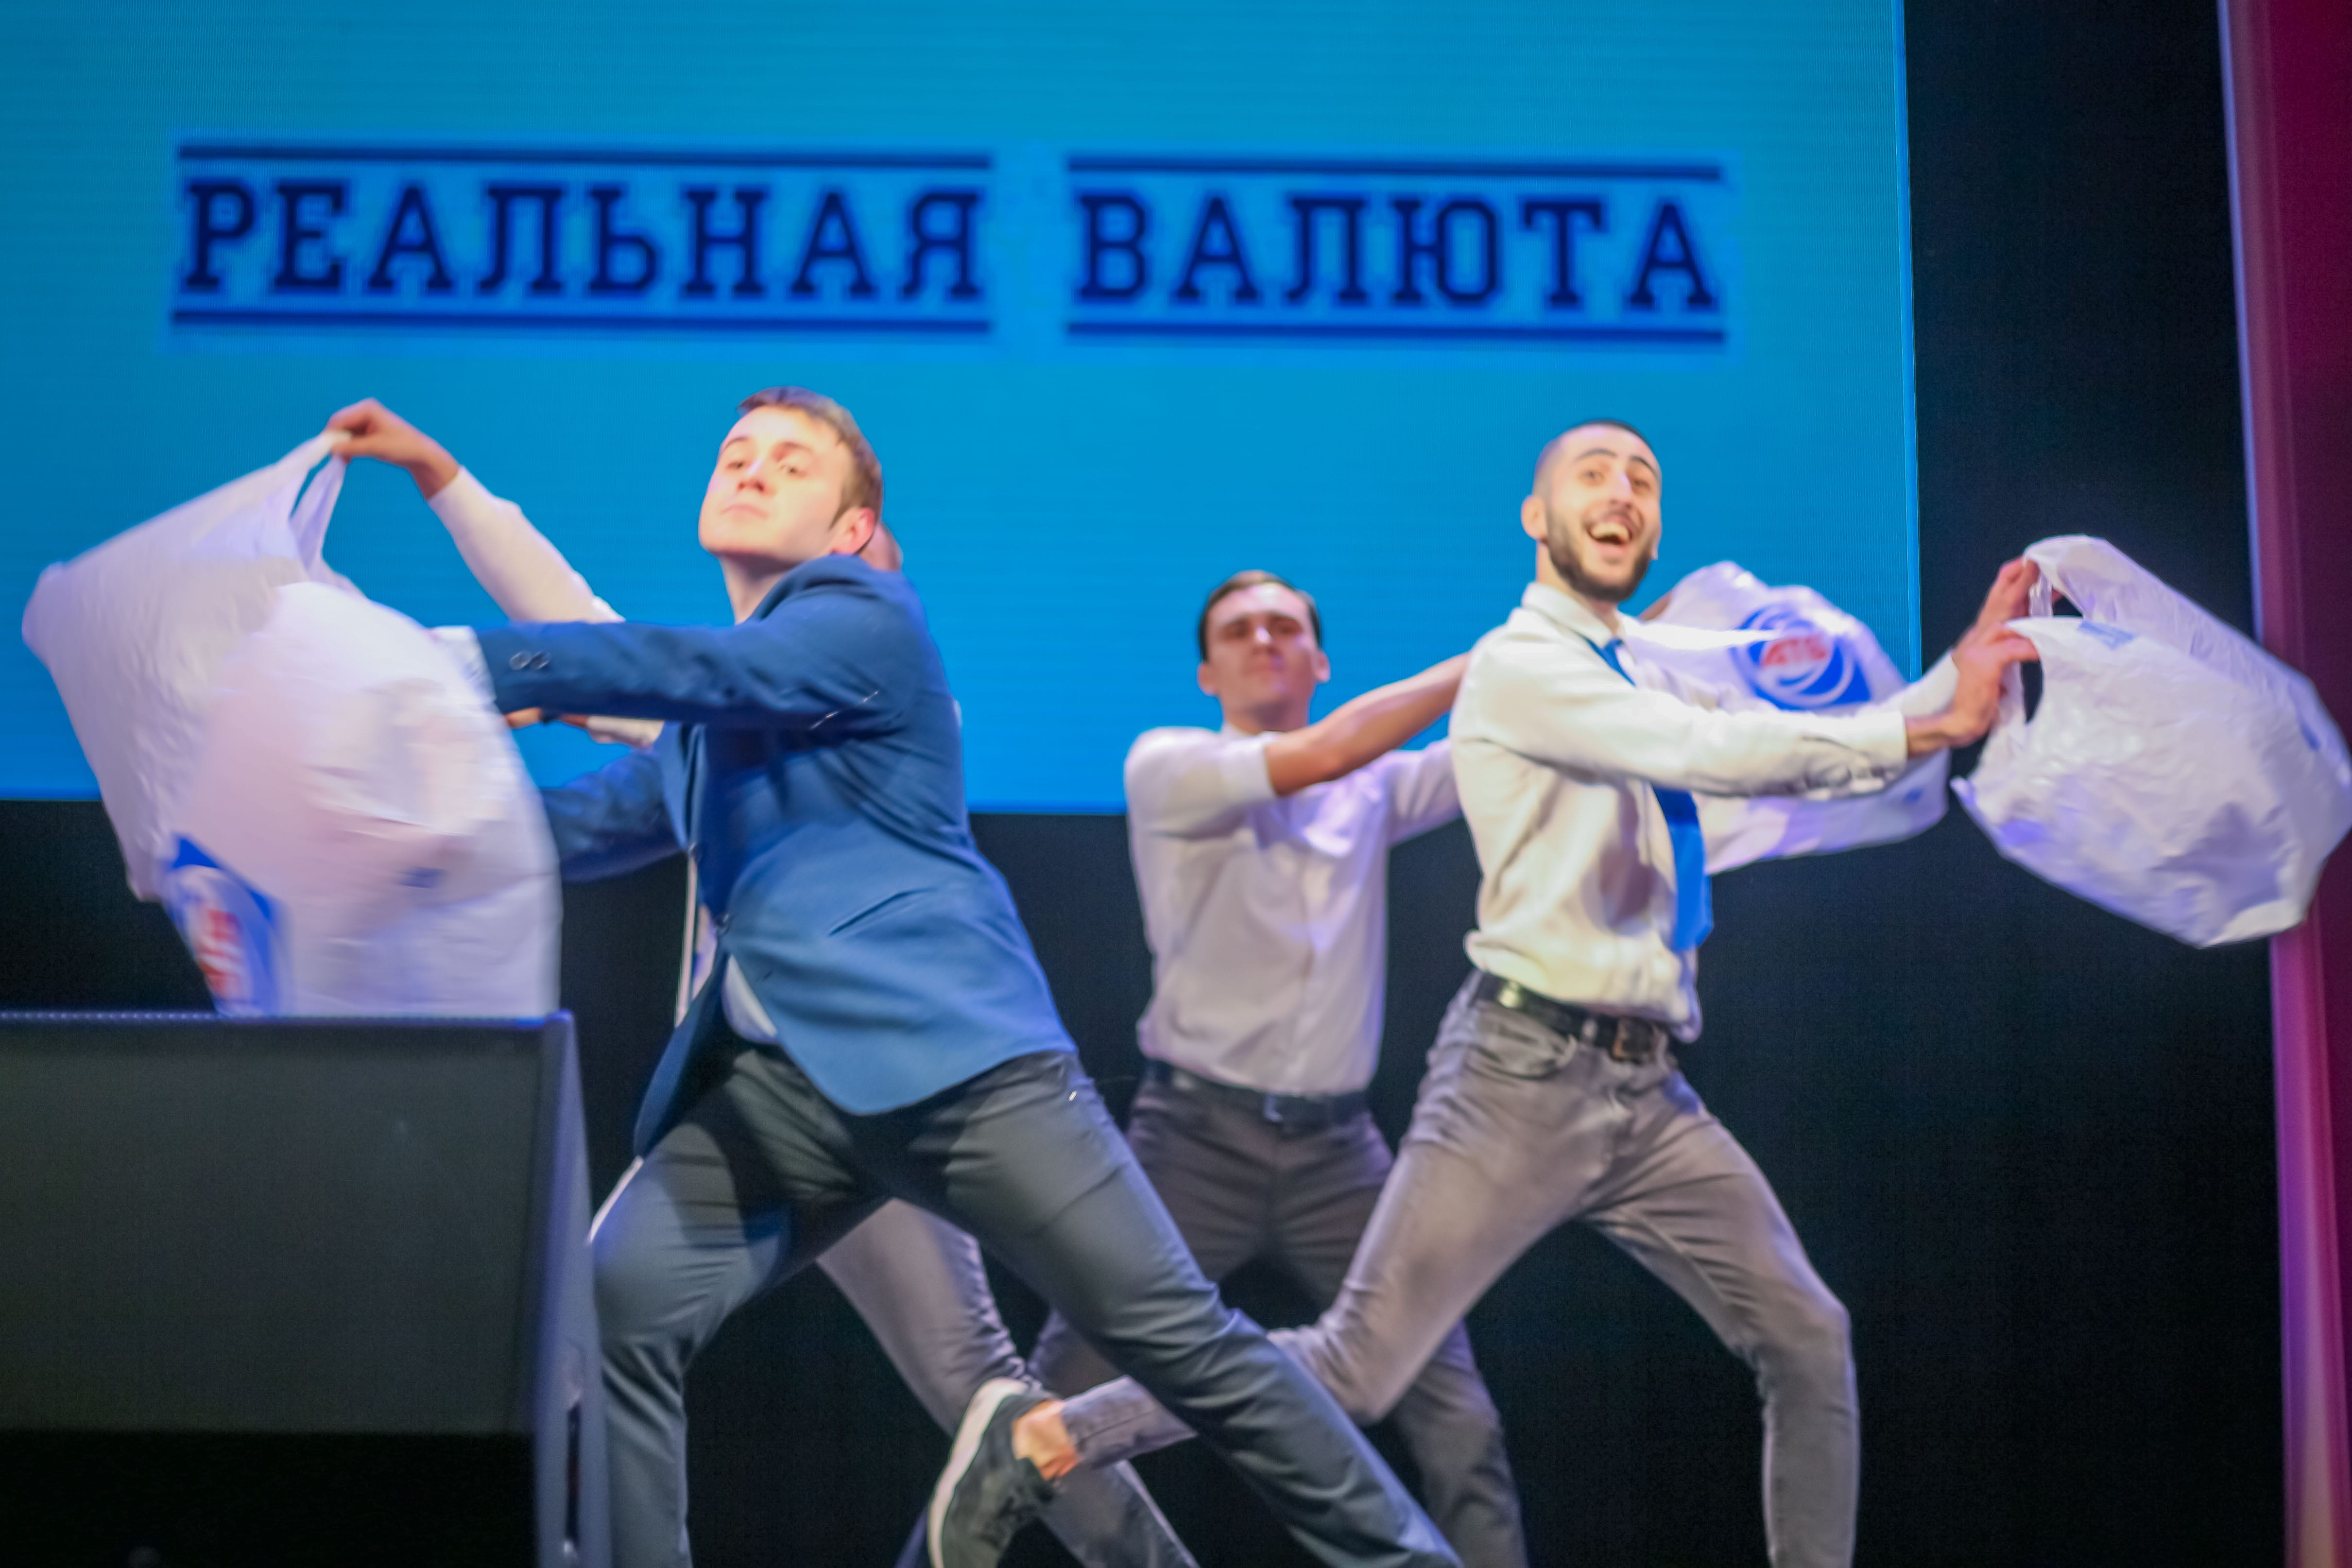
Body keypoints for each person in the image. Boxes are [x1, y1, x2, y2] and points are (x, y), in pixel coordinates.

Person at [327, 390, 1456, 1568]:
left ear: (853, 529)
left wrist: (452, 666)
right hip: (787, 1096)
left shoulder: (863, 620)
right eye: (735, 454)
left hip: (965, 1073)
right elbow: (563, 825)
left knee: (1185, 1348)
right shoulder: (708, 727)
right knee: (617, 1310)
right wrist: (357, 840)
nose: (751, 470)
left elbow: (679, 663)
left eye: (790, 463)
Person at [928, 419, 2039, 1568]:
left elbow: (1766, 733)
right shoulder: (1509, 669)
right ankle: (1050, 1437)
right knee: (1358, 1368)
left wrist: (1948, 683)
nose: (1624, 492)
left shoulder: (1615, 673)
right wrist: (1930, 723)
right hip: (1509, 1078)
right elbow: (1699, 751)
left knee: (1805, 1335)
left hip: (1643, 1089)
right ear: (1536, 518)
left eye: (1644, 479)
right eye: (1593, 474)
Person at [1016, 570, 1526, 1568]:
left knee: (1458, 1417)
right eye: (1239, 631)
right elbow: (1324, 752)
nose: (1263, 641)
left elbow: (1502, 748)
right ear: (1207, 673)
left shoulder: (1374, 788)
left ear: (1321, 661)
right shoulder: (1168, 764)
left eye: (1285, 627)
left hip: (1342, 1155)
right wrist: (1505, 649)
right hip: (1191, 1144)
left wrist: (1609, 647)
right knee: (1050, 1408)